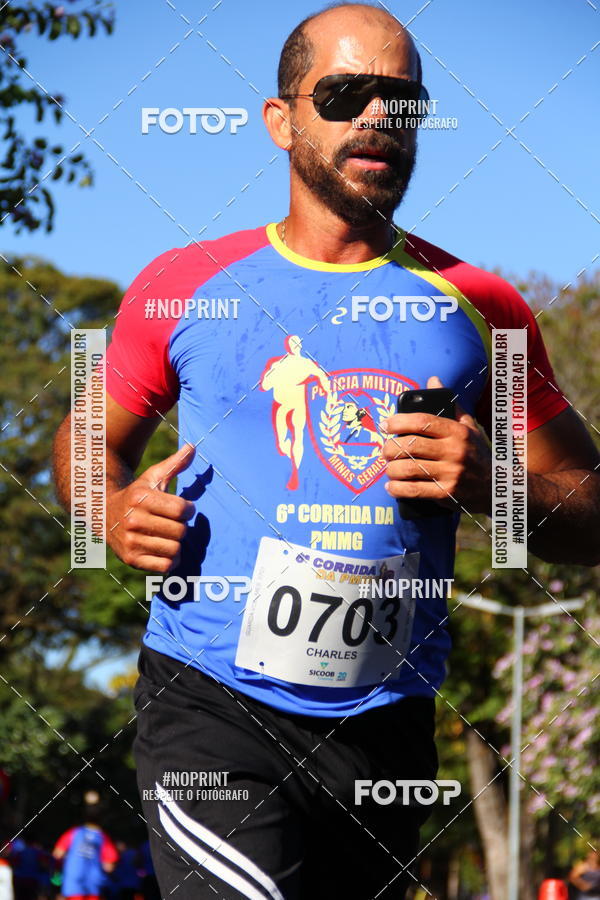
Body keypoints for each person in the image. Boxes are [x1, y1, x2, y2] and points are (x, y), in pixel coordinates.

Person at [52, 3, 600, 898]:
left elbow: (593, 511)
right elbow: (87, 442)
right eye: (346, 94)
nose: (379, 117)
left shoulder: (482, 306)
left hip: (387, 728)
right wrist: (108, 510)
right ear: (282, 121)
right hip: (211, 704)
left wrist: (494, 485)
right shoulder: (184, 285)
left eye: (403, 100)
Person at [53, 803, 118, 900]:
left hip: (73, 882)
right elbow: (109, 866)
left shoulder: (74, 832)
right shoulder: (103, 837)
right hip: (93, 884)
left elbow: (57, 854)